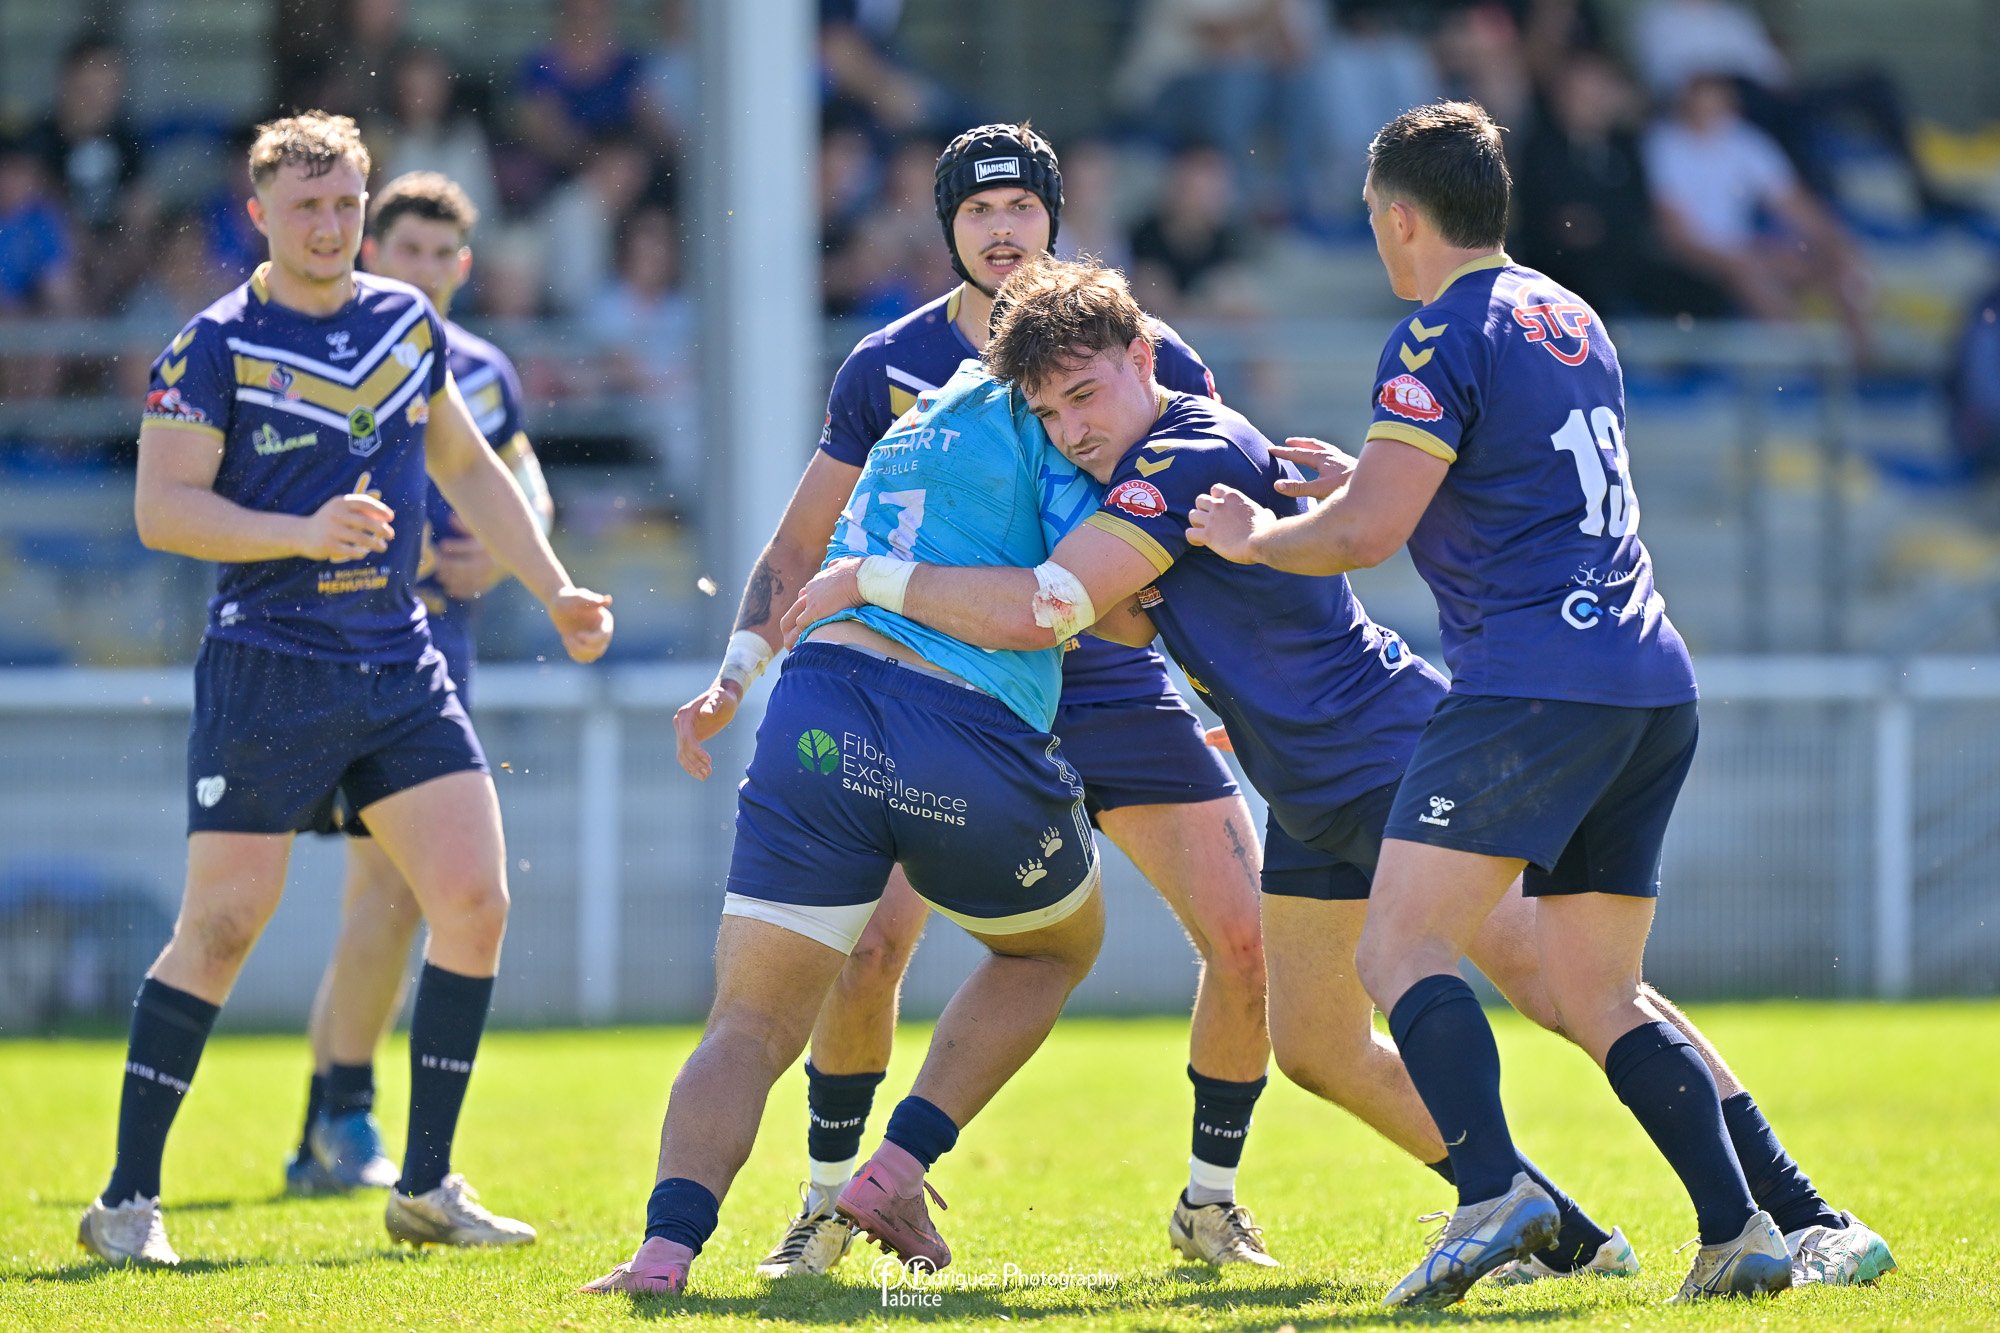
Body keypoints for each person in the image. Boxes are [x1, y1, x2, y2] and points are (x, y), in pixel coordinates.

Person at [786, 250, 1893, 1301]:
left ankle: (1782, 1213)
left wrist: (869, 576)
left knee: (1572, 990)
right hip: (1309, 790)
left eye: (1085, 393)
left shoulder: (1182, 450)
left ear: (1140, 355)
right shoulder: (1138, 474)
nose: (1072, 429)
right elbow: (1113, 616)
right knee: (1313, 1041)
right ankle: (1540, 1215)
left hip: (1384, 753)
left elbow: (1050, 609)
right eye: (1049, 413)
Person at [1179, 101, 1893, 1303]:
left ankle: (1491, 1193)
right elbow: (1510, 484)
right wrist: (1376, 478)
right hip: (1647, 680)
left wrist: (1255, 535)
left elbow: (1362, 537)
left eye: (1372, 222)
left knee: (1399, 944)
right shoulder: (1567, 314)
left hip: (1528, 687)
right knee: (1595, 992)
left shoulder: (1430, 334)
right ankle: (1743, 1230)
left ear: (1399, 218)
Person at [671, 123, 1283, 1278]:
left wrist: (1211, 692)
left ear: (1053, 218)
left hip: (1103, 677)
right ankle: (823, 1203)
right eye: (975, 213)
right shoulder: (887, 366)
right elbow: (800, 544)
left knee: (1244, 937)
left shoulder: (1146, 355)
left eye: (1019, 208)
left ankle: (1210, 1200)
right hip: (948, 686)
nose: (1001, 230)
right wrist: (735, 674)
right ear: (945, 230)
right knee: (865, 952)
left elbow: (1185, 537)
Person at [75, 112, 612, 1267]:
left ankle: (422, 1185)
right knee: (220, 926)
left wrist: (557, 587)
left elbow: (466, 462)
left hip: (399, 661)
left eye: (347, 204)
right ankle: (126, 1202)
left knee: (473, 900)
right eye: (306, 205)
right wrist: (302, 531)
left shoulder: (405, 322)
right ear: (259, 213)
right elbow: (162, 511)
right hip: (268, 663)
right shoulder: (211, 344)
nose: (330, 225)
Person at [580, 363, 1110, 1297]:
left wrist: (737, 673)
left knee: (746, 1021)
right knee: (1053, 951)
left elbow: (793, 552)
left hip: (817, 703)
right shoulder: (1063, 410)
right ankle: (892, 1169)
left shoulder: (906, 398)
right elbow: (1082, 594)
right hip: (961, 724)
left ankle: (664, 1254)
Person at [282, 169, 555, 1198]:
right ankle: (339, 1111)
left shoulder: (481, 370)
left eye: (445, 255)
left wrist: (512, 549)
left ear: (466, 265)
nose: (428, 271)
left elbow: (521, 481)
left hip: (446, 659)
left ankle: (326, 1119)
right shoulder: (328, 353)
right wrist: (418, 560)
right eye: (409, 252)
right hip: (346, 649)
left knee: (390, 893)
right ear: (370, 253)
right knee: (385, 892)